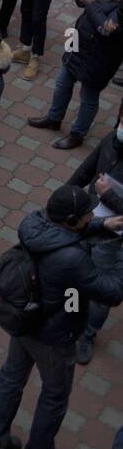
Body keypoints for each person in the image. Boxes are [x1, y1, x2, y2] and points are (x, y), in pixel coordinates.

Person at [0, 185, 123, 449]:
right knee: (55, 394)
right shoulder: (72, 259)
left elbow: (64, 233)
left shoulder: (33, 222)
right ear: (72, 219)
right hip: (54, 334)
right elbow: (111, 292)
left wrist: (103, 225)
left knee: (11, 378)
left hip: (25, 319)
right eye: (88, 214)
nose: (91, 216)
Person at [27, 0, 123, 150]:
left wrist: (90, 4)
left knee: (88, 96)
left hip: (100, 57)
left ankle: (77, 134)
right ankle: (54, 118)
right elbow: (86, 2)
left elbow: (106, 29)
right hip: (78, 45)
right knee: (63, 82)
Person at [67, 109, 123, 364]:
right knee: (73, 273)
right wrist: (65, 197)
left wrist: (108, 194)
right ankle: (69, 316)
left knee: (100, 291)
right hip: (88, 220)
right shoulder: (113, 138)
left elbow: (104, 189)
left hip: (113, 239)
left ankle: (86, 335)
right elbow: (86, 169)